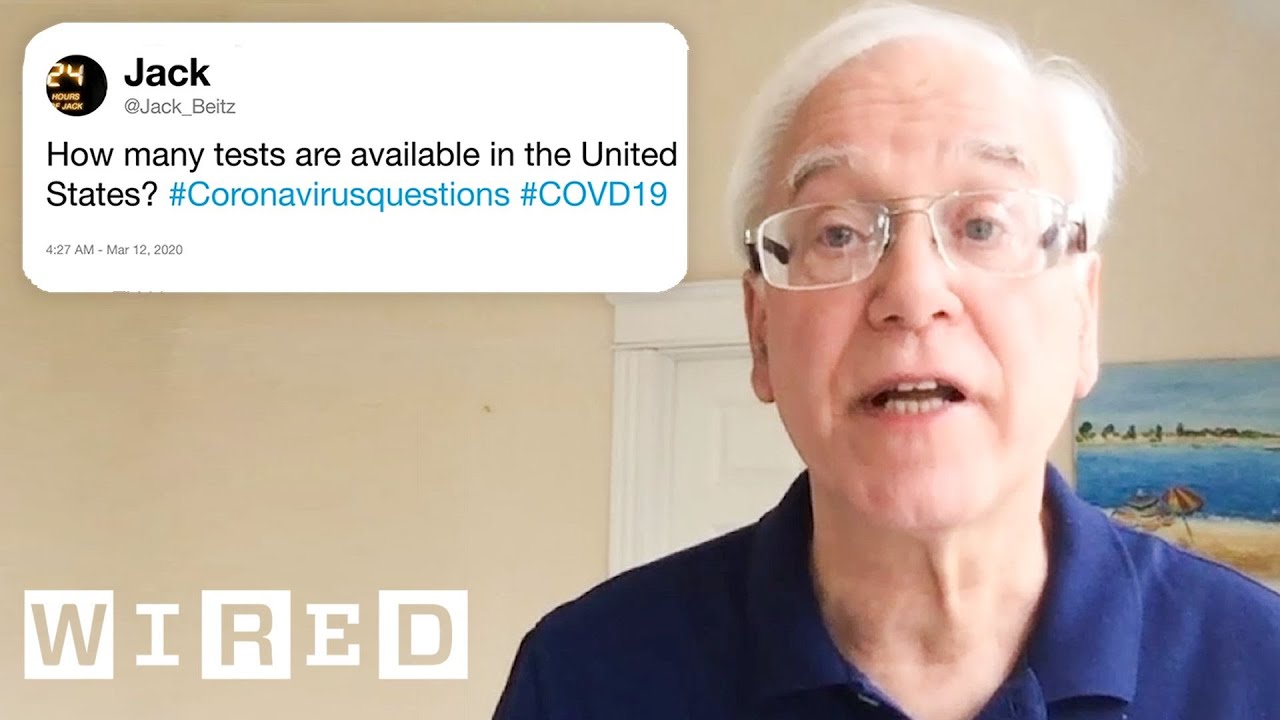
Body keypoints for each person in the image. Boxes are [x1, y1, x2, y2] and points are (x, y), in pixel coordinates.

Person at [493, 2, 1280, 718]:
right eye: (837, 232)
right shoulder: (584, 679)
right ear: (760, 331)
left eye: (982, 226)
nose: (912, 290)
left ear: (1083, 315)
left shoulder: (1258, 669)